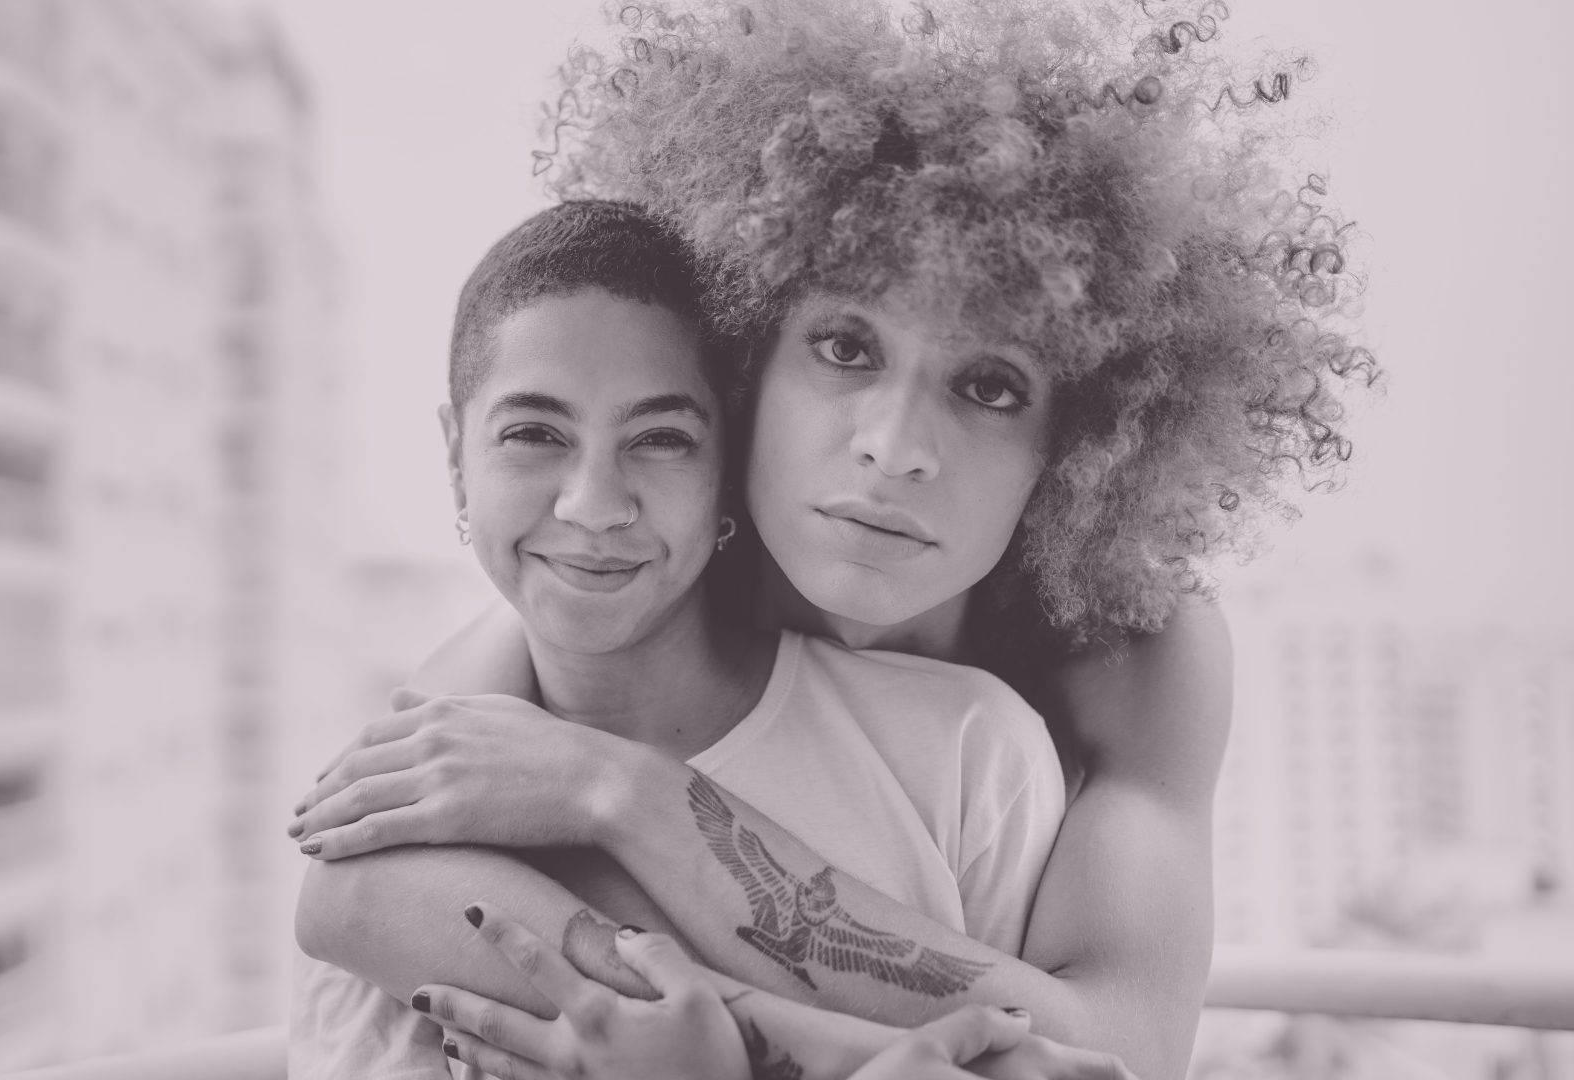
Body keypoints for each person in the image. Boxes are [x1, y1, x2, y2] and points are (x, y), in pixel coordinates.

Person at [295, 0, 1373, 1076]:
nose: (895, 447)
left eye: (991, 385)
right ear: (746, 351)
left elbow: (1116, 1056)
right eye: (847, 348)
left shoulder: (1138, 645)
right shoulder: (645, 557)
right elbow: (356, 885)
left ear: (1080, 437)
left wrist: (623, 792)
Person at [291, 199, 1117, 1080]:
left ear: (728, 457)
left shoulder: (969, 753)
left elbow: (1090, 1060)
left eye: (661, 439)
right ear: (456, 457)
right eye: (533, 434)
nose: (594, 505)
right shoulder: (414, 809)